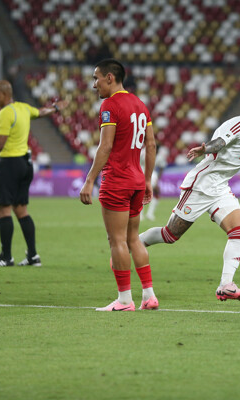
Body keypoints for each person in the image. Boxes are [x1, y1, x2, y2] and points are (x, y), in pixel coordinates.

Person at [140, 90, 240, 301]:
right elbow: (219, 143)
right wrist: (204, 149)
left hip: (220, 188)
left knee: (239, 231)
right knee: (170, 235)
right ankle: (134, 244)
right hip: (201, 186)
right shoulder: (238, 125)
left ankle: (226, 285)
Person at [79, 59, 158, 312]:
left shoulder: (110, 105)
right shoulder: (140, 105)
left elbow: (106, 146)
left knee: (117, 241)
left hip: (117, 181)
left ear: (110, 78)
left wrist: (90, 180)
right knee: (134, 238)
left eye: (96, 78)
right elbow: (151, 145)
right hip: (136, 180)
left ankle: (124, 300)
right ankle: (149, 296)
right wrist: (147, 179)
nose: (94, 85)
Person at [0, 80, 67, 267]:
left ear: (5, 94)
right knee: (21, 210)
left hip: (10, 164)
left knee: (3, 209)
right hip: (26, 163)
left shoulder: (5, 113)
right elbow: (41, 112)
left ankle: (6, 257)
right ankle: (33, 256)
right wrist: (54, 108)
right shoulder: (23, 108)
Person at [141, 145, 168, 221]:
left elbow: (162, 167)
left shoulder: (159, 157)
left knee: (156, 192)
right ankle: (140, 214)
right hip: (142, 172)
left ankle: (150, 213)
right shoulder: (143, 153)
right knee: (141, 193)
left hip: (152, 174)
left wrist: (157, 179)